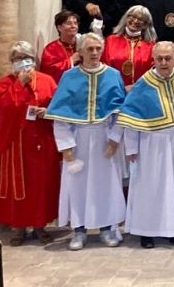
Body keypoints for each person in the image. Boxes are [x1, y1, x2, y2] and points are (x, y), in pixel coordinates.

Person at [44, 33, 126, 251]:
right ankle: (78, 230)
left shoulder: (113, 75)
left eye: (98, 48)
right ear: (79, 52)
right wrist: (67, 150)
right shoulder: (69, 77)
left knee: (106, 185)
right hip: (78, 139)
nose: (94, 53)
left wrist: (114, 140)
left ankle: (107, 228)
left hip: (104, 138)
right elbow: (61, 117)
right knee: (77, 186)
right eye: (89, 49)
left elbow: (120, 114)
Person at [118, 41, 174, 248]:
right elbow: (131, 119)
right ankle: (146, 231)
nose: (164, 62)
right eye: (159, 59)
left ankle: (173, 228)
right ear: (153, 59)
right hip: (150, 144)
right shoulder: (143, 83)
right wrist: (131, 148)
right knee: (150, 188)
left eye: (168, 58)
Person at [0, 41, 60, 246]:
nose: (22, 63)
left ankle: (40, 225)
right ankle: (18, 227)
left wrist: (47, 112)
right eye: (17, 59)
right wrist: (19, 85)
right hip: (16, 142)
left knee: (41, 184)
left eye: (26, 58)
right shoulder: (6, 83)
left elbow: (58, 105)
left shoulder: (47, 80)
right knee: (17, 186)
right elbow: (4, 106)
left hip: (41, 139)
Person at [103, 5, 156, 91]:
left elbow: (154, 73)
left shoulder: (151, 46)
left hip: (141, 93)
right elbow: (104, 68)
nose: (135, 21)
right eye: (133, 16)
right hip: (114, 91)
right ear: (126, 18)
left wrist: (136, 87)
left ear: (146, 25)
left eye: (140, 19)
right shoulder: (111, 40)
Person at [40, 10, 82, 84]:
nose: (73, 26)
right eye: (69, 23)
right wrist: (71, 61)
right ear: (59, 27)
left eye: (75, 23)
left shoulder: (83, 44)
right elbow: (48, 72)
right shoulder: (51, 49)